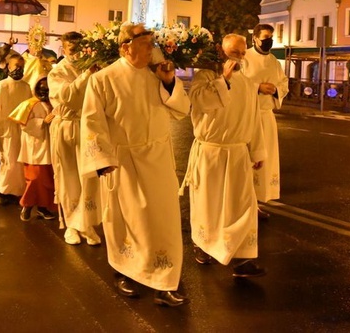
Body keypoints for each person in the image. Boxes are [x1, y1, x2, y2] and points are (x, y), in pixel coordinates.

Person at [80, 22, 191, 307]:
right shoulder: (104, 79)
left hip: (159, 158)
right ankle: (125, 272)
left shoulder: (158, 75)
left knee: (164, 220)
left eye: (151, 41)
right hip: (124, 161)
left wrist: (168, 82)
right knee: (128, 220)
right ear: (125, 46)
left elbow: (181, 110)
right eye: (144, 41)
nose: (151, 46)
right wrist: (102, 159)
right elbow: (92, 121)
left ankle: (166, 280)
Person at [183, 34, 267, 278]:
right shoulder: (205, 77)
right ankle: (203, 245)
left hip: (238, 151)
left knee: (243, 206)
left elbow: (254, 119)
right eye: (234, 53)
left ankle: (242, 259)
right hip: (211, 151)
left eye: (242, 53)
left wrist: (257, 150)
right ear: (220, 51)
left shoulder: (249, 82)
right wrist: (224, 80)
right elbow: (201, 103)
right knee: (208, 204)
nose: (239, 58)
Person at [47, 31, 101, 245]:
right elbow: (67, 97)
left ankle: (86, 224)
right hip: (67, 126)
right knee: (69, 177)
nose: (77, 52)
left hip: (87, 128)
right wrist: (87, 75)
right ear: (63, 48)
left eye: (80, 47)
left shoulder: (92, 68)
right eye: (72, 48)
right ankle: (70, 224)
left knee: (88, 178)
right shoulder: (57, 72)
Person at [242, 24, 289, 220]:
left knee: (264, 161)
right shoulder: (244, 58)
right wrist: (257, 87)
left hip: (266, 116)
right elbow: (238, 83)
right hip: (248, 115)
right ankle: (243, 204)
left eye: (271, 37)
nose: (269, 41)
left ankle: (257, 203)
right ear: (254, 38)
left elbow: (283, 83)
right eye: (265, 37)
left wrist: (276, 90)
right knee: (248, 159)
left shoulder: (274, 62)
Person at [9, 75, 57, 222]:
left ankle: (43, 207)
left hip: (51, 146)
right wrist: (42, 122)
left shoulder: (53, 103)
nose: (44, 91)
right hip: (35, 148)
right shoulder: (29, 104)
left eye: (47, 88)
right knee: (35, 178)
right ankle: (27, 204)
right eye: (41, 87)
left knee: (48, 180)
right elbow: (24, 124)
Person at [0, 54, 31, 206]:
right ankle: (3, 191)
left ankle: (19, 191)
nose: (18, 69)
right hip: (7, 128)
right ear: (8, 67)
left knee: (20, 161)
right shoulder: (2, 85)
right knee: (8, 161)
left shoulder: (26, 86)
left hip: (22, 128)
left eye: (21, 66)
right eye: (15, 66)